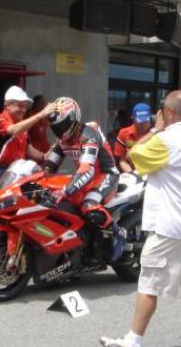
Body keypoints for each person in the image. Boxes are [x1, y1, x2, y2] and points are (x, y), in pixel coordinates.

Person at [99, 90, 181, 347]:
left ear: (168, 112)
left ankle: (133, 342)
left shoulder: (166, 140)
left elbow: (134, 155)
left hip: (173, 226)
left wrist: (156, 129)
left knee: (148, 283)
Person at [44, 97, 124, 260]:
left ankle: (117, 234)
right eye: (56, 127)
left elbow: (87, 170)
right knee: (60, 205)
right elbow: (48, 167)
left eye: (63, 125)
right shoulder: (62, 141)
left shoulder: (88, 134)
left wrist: (65, 191)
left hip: (106, 174)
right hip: (85, 177)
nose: (60, 131)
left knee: (89, 206)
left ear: (74, 119)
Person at [0, 86, 54, 189]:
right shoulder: (0, 119)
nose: (23, 110)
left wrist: (43, 156)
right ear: (7, 105)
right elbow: (13, 130)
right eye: (20, 106)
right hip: (0, 171)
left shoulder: (21, 124)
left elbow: (27, 148)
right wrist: (40, 114)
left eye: (25, 106)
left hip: (18, 170)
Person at [113, 103, 152, 173]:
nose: (143, 124)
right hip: (131, 172)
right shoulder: (123, 133)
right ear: (133, 119)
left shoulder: (157, 134)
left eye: (146, 121)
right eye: (140, 121)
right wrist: (133, 174)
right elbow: (121, 160)